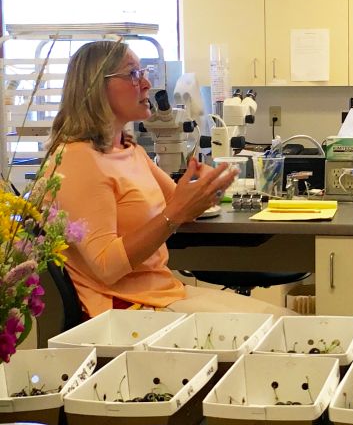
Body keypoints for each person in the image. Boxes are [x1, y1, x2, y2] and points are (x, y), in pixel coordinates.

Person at [50, 40, 295, 318]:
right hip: (123, 307)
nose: (145, 84)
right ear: (95, 88)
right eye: (132, 74)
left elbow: (180, 203)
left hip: (163, 291)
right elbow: (106, 267)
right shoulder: (77, 159)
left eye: (143, 73)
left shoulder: (130, 150)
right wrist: (176, 213)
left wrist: (207, 189)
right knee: (286, 328)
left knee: (290, 324)